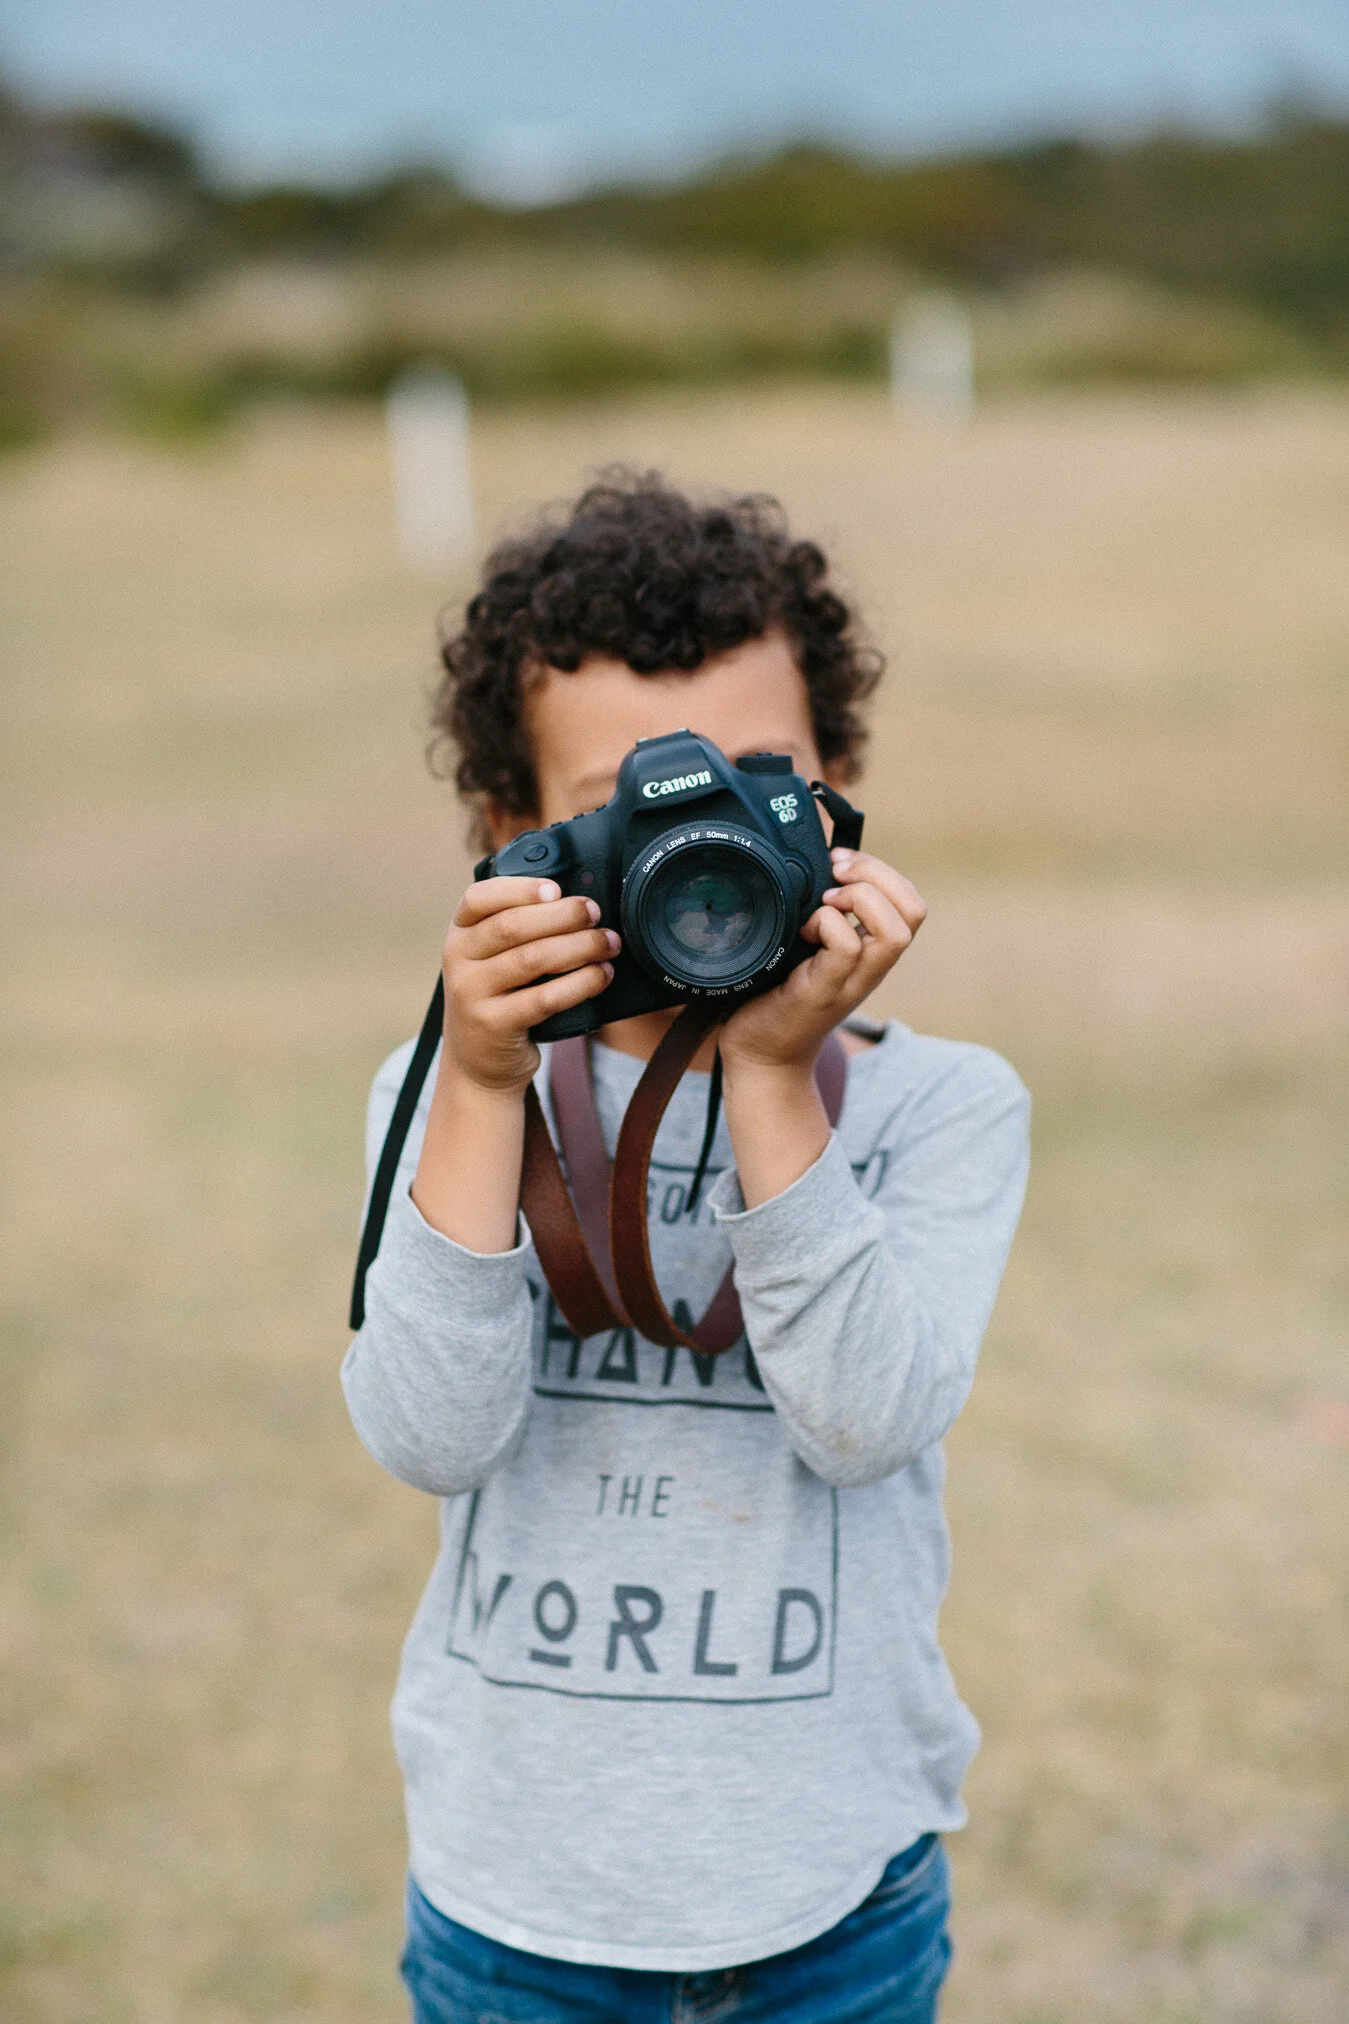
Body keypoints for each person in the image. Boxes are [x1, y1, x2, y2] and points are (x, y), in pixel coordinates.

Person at [342, 471, 1030, 2023]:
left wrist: (777, 1073)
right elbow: (431, 1437)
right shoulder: (449, 1091)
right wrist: (476, 1079)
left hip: (830, 1893)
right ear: (510, 834)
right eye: (628, 803)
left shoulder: (943, 1104)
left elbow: (864, 1424)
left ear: (838, 787)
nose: (697, 837)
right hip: (515, 1897)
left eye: (748, 782)